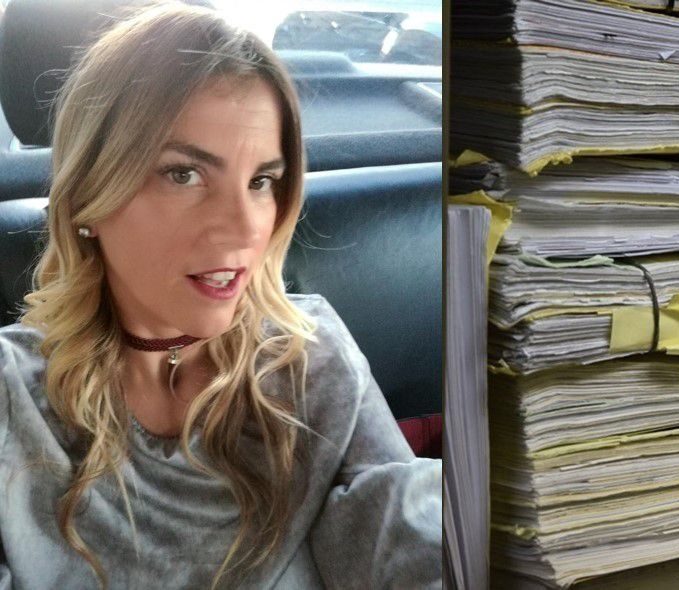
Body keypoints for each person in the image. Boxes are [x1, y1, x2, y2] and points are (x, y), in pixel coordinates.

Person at [0, 2, 441, 588]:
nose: (244, 230)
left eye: (262, 181)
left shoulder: (311, 356)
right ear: (88, 195)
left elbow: (407, 532)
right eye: (183, 174)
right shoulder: (12, 396)